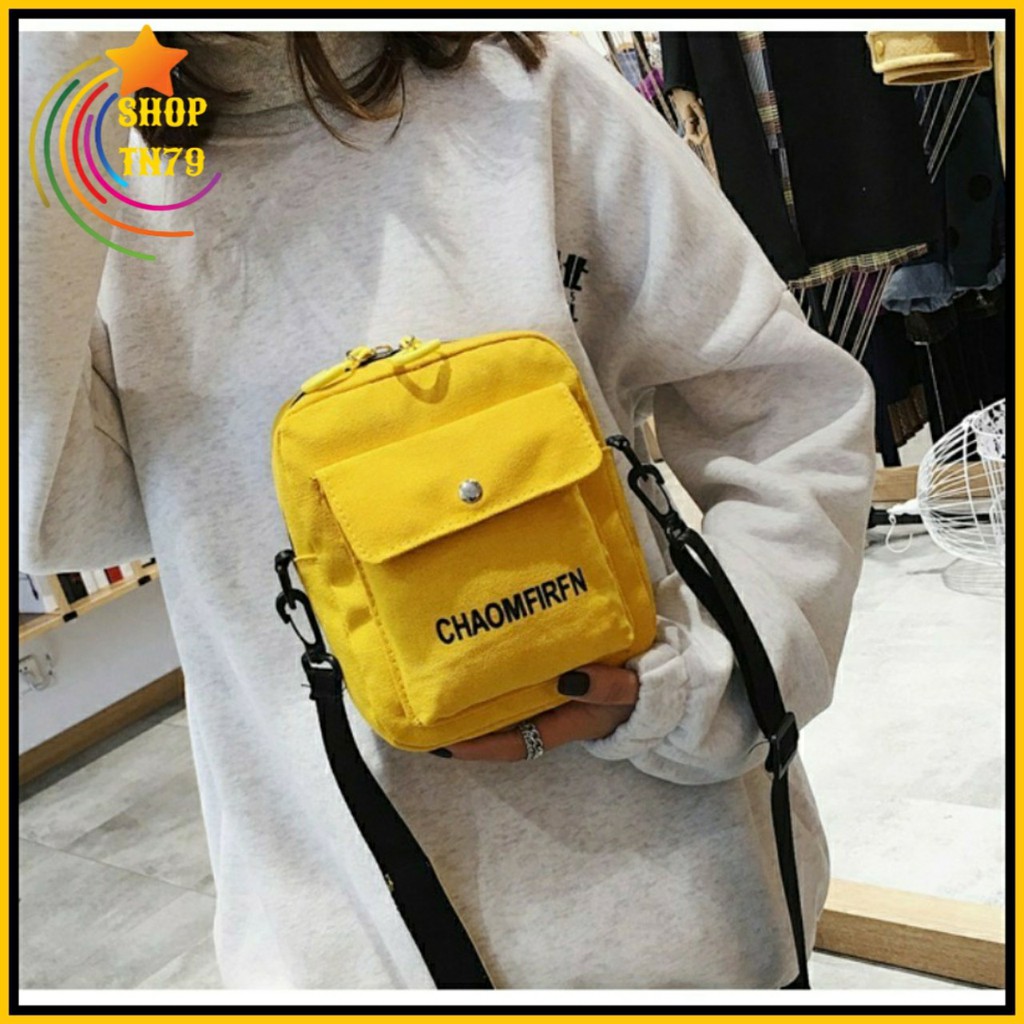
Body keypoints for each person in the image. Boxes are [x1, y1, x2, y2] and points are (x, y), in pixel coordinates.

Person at [19, 29, 876, 989]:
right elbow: (53, 519)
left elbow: (786, 410)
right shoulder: (81, 175)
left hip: (675, 918)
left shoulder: (529, 96)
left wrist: (709, 678)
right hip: (338, 940)